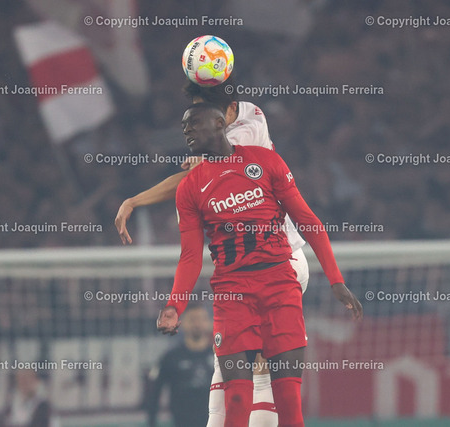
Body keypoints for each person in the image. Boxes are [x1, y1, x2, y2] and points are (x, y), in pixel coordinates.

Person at [116, 81, 309, 426]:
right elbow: (190, 252)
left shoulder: (247, 134)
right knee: (233, 376)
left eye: (200, 116)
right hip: (248, 275)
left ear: (224, 114)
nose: (192, 125)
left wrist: (135, 200)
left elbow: (201, 173)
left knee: (257, 376)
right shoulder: (231, 136)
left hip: (282, 262)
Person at [157, 103, 363, 427]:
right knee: (237, 400)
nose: (187, 131)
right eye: (184, 127)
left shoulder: (265, 162)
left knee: (289, 401)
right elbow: (191, 257)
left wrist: (336, 280)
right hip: (232, 296)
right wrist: (174, 305)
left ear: (220, 123)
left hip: (280, 288)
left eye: (193, 123)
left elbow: (308, 221)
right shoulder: (190, 187)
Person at [145, 302, 214, 427]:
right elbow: (154, 392)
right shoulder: (171, 357)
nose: (197, 324)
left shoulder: (219, 358)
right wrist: (151, 422)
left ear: (209, 323)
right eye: (192, 319)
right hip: (182, 422)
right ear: (182, 324)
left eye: (201, 319)